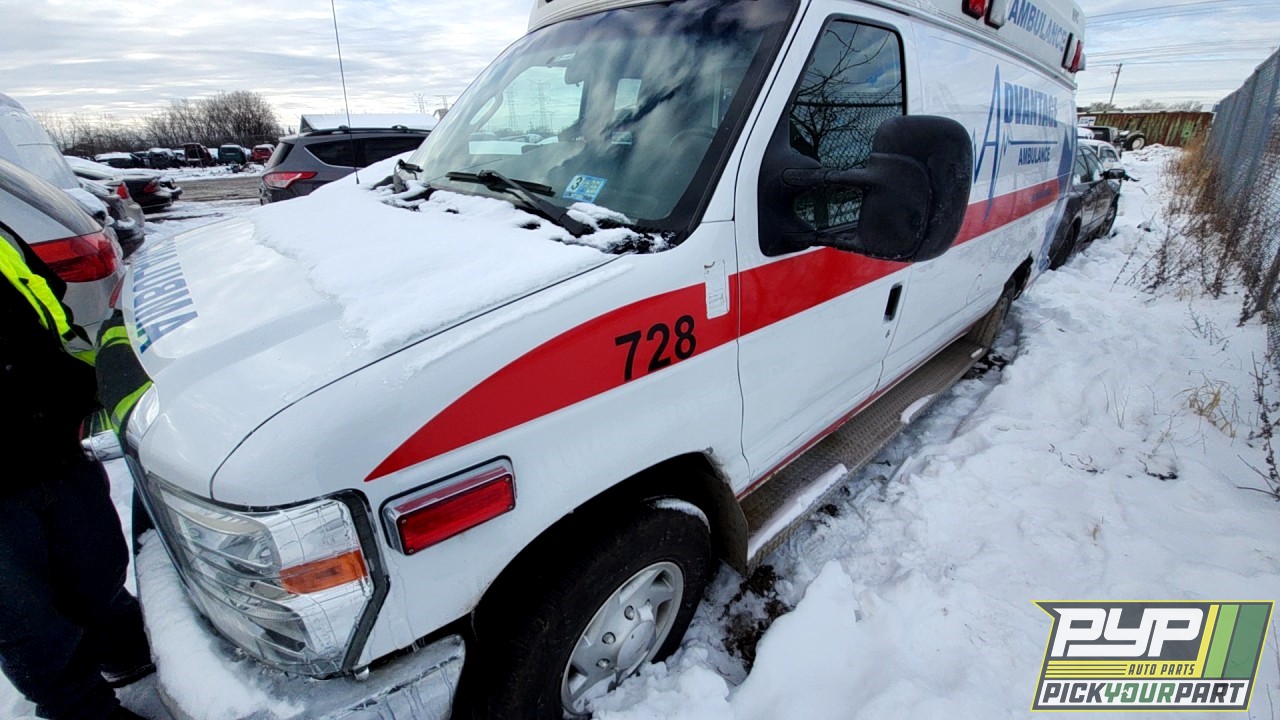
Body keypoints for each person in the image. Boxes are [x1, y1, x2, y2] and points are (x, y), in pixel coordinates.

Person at [0, 234, 152, 720]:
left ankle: (125, 649)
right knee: (27, 616)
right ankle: (81, 710)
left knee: (97, 566)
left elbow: (51, 312)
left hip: (50, 443)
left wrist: (90, 381)